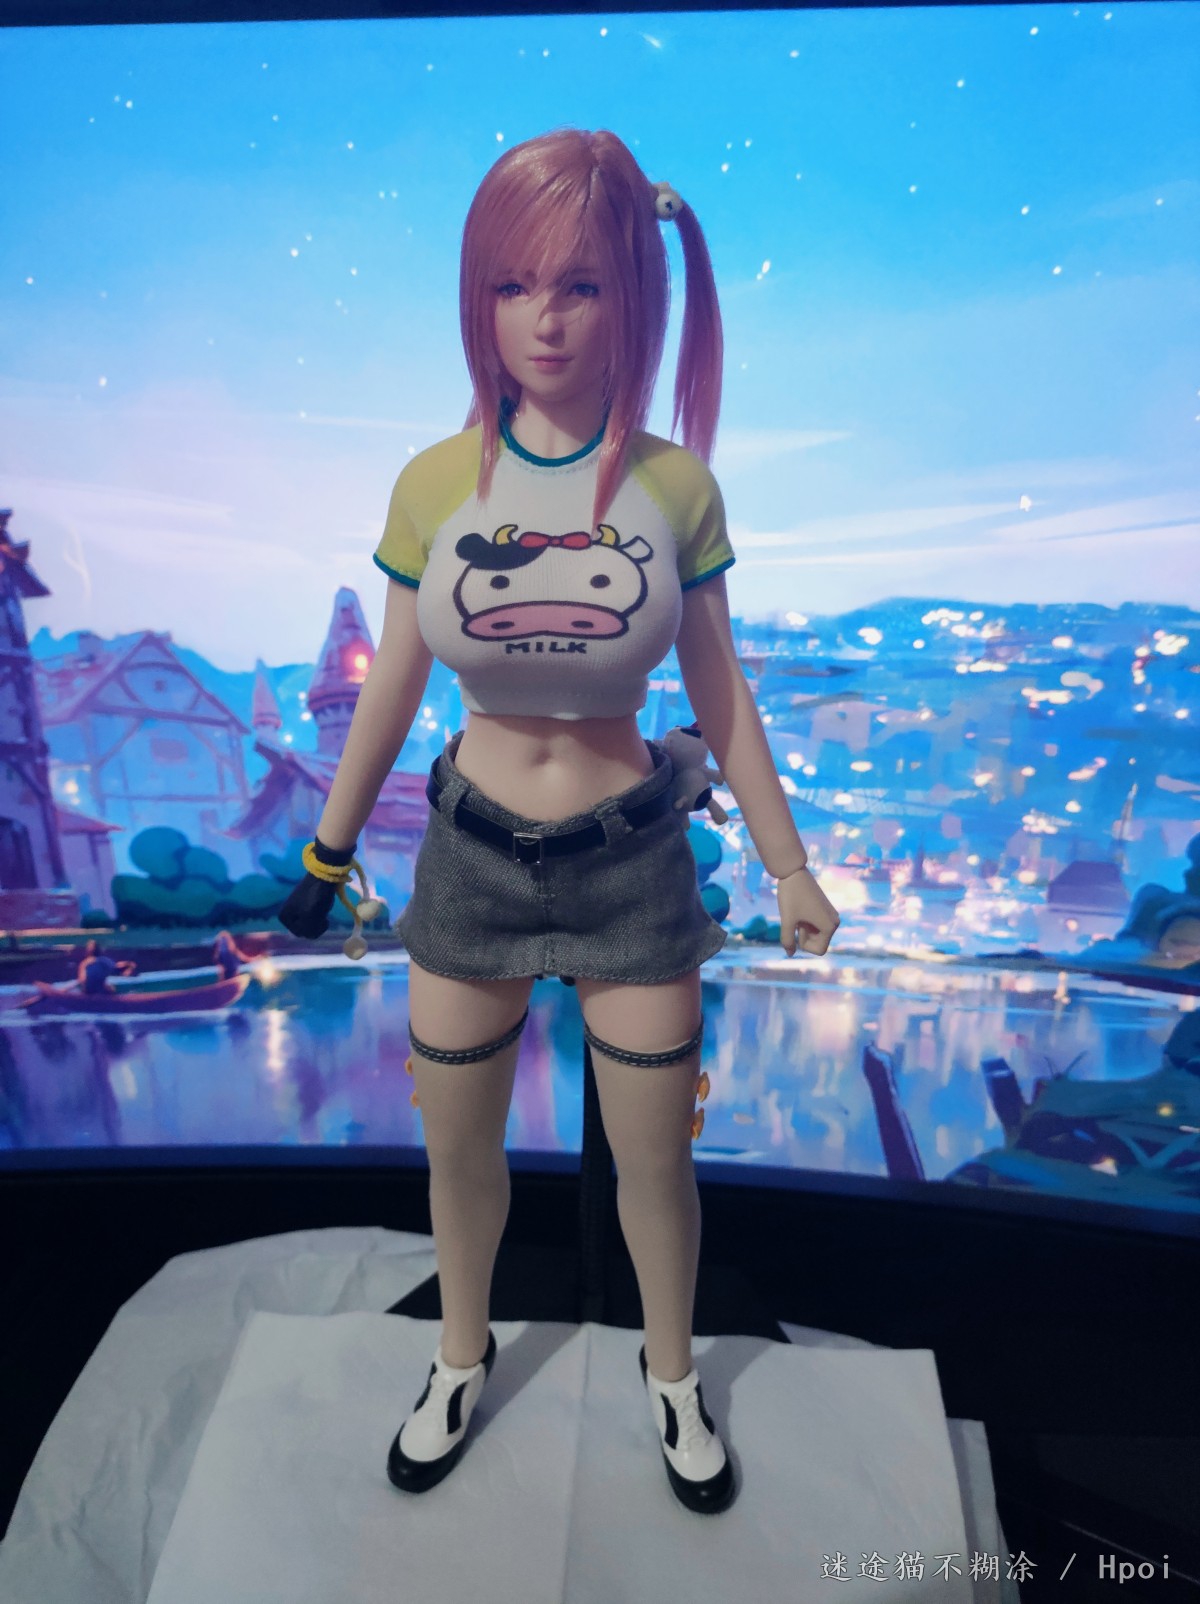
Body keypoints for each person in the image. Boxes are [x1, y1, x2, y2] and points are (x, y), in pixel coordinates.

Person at [279, 128, 840, 1515]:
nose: (544, 319)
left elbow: (720, 687)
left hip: (632, 865)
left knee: (655, 1163)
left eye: (581, 286)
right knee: (457, 1153)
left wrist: (788, 864)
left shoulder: (674, 487)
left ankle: (670, 1375)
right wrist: (327, 852)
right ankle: (459, 1357)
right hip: (470, 858)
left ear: (634, 296)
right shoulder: (434, 482)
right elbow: (394, 683)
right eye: (513, 285)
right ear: (478, 298)